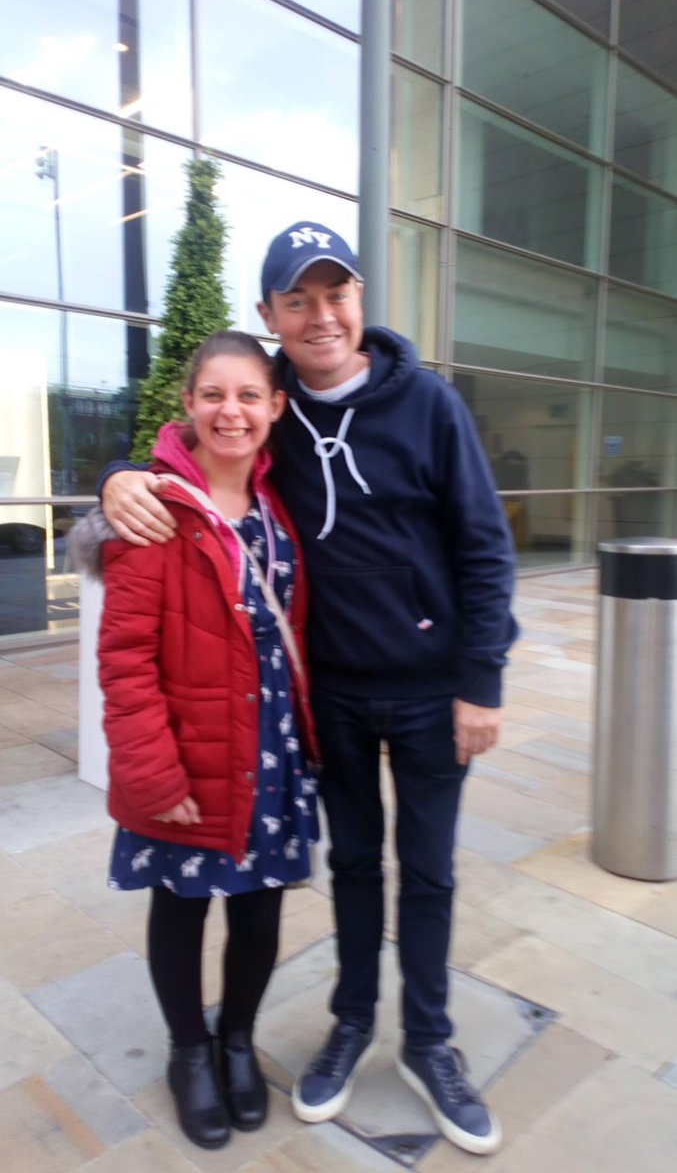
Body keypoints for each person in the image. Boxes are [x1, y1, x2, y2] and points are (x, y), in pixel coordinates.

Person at [97, 223, 517, 1157]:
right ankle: (349, 1025)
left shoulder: (429, 408)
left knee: (432, 872)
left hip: (427, 690)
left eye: (336, 295)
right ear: (270, 316)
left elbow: (485, 548)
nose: (321, 315)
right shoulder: (277, 424)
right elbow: (185, 466)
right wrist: (115, 477)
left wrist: (481, 679)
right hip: (324, 699)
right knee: (353, 871)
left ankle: (431, 1043)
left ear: (360, 302)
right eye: (298, 300)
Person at [71, 329, 319, 1151]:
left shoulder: (281, 505)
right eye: (214, 393)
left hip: (270, 753)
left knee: (257, 912)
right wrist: (149, 769)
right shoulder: (152, 510)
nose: (231, 411)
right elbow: (125, 657)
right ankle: (188, 1052)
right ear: (187, 403)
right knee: (181, 911)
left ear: (276, 408)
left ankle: (237, 1042)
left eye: (249, 395)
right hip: (186, 754)